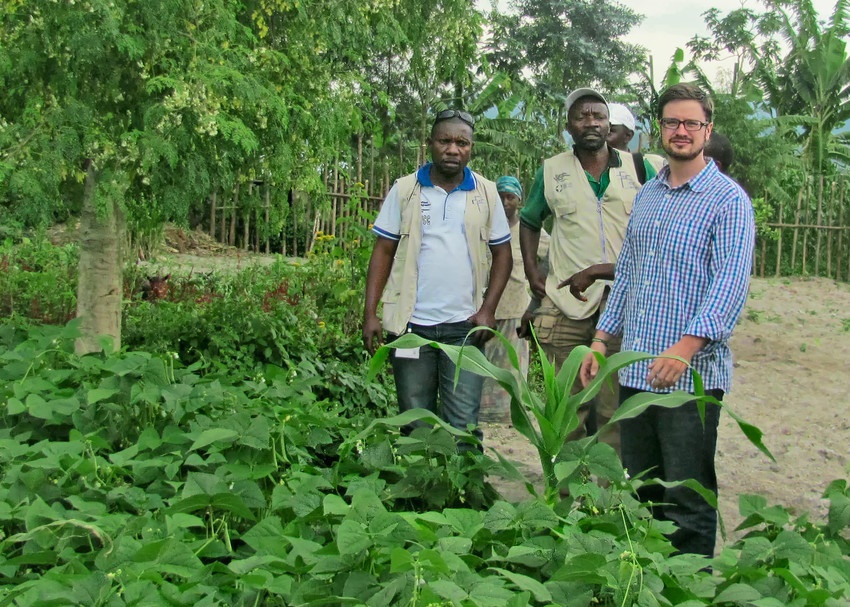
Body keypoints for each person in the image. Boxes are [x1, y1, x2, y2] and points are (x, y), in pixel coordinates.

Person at [580, 83, 755, 557]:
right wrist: (600, 341)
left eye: (691, 123)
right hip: (636, 369)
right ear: (661, 128)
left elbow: (729, 286)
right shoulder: (650, 194)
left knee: (686, 494)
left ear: (707, 129)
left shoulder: (728, 201)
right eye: (672, 122)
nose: (681, 131)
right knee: (643, 490)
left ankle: (689, 590)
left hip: (690, 378)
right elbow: (630, 273)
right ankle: (651, 582)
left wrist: (685, 348)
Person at [518, 87, 660, 455]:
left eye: (598, 115)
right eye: (582, 116)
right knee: (566, 409)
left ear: (608, 121)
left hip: (621, 305)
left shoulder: (640, 168)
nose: (591, 122)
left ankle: (607, 501)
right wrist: (535, 274)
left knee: (612, 411)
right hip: (565, 305)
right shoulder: (551, 170)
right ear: (569, 125)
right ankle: (563, 497)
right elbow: (530, 221)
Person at [362, 109, 513, 447]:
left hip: (465, 328)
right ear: (430, 144)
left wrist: (488, 310)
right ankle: (417, 496)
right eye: (445, 141)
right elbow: (383, 251)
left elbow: (504, 256)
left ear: (471, 148)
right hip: (411, 326)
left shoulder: (486, 193)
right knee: (415, 422)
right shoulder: (406, 190)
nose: (453, 149)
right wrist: (370, 313)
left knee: (463, 424)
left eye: (462, 142)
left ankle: (464, 492)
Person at [479, 176, 531, 424]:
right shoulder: (483, 229)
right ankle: (482, 412)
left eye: (510, 197)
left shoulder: (528, 233)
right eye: (500, 196)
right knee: (484, 362)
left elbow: (550, 259)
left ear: (519, 201)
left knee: (511, 365)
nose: (504, 202)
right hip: (484, 309)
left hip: (515, 309)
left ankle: (509, 414)